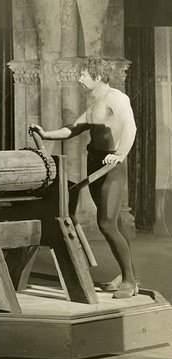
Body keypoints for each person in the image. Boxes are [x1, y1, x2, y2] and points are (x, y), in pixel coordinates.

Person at [30, 57, 138, 299]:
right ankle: (130, 276)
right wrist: (46, 134)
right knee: (115, 223)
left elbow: (131, 128)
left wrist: (119, 155)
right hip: (95, 164)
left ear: (97, 76)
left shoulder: (116, 98)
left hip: (110, 167)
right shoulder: (96, 102)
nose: (79, 78)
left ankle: (130, 281)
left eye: (83, 74)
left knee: (106, 223)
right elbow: (75, 128)